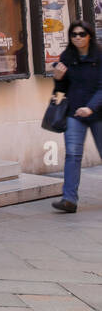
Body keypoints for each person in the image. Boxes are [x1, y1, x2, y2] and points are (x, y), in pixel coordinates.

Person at [49, 20, 102, 213]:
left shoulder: (99, 55)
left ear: (89, 36)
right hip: (73, 113)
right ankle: (69, 199)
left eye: (81, 34)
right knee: (72, 155)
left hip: (98, 113)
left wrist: (90, 108)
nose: (78, 38)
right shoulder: (67, 56)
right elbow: (61, 89)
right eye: (74, 34)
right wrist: (58, 78)